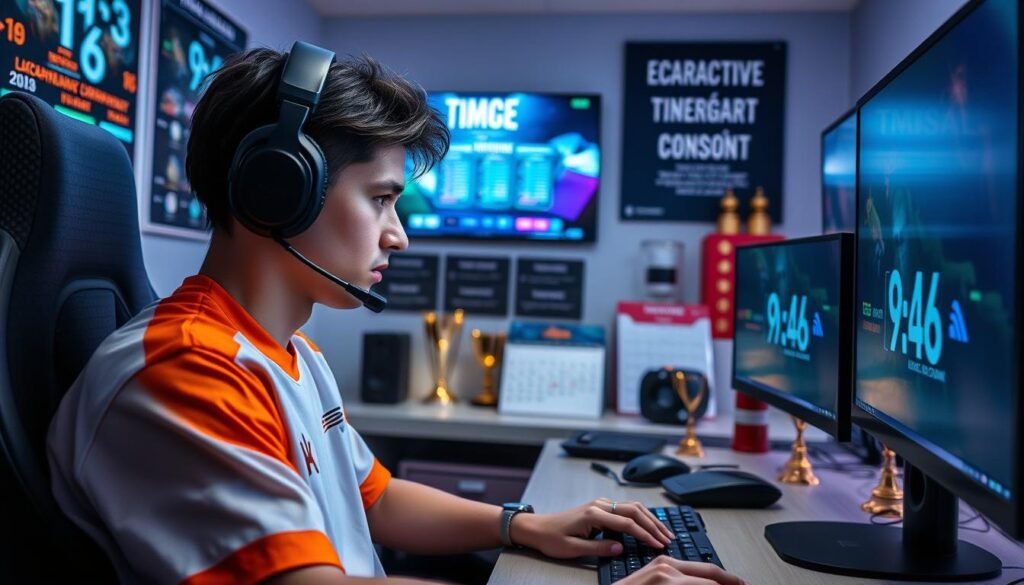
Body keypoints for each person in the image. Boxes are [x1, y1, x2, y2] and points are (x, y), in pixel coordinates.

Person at [47, 42, 748, 585]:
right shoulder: (187, 373)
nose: (399, 232)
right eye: (381, 199)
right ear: (279, 189)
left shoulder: (289, 353)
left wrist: (524, 525)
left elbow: (374, 500)